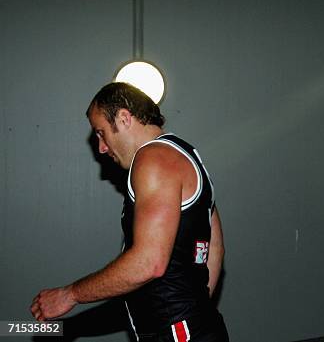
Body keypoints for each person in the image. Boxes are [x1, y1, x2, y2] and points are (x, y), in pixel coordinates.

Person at [30, 82, 229, 342]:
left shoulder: (153, 158)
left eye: (101, 133)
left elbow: (149, 263)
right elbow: (213, 248)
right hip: (194, 330)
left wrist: (69, 295)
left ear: (124, 118)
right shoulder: (186, 155)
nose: (101, 147)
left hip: (177, 334)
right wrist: (192, 312)